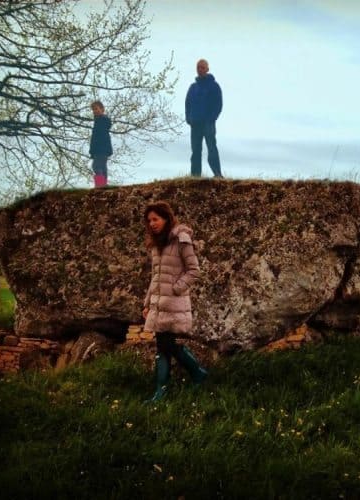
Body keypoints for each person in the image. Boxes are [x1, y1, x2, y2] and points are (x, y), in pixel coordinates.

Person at [142, 201, 207, 402]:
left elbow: (194, 271)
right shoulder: (156, 245)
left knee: (166, 346)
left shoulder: (181, 239)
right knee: (165, 346)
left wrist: (175, 289)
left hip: (174, 304)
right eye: (149, 220)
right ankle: (194, 375)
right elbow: (155, 277)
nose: (152, 224)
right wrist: (147, 303)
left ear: (166, 218)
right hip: (159, 305)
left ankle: (164, 389)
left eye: (156, 219)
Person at [185, 59, 223, 178]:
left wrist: (212, 118)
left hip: (208, 123)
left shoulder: (214, 86)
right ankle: (195, 176)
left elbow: (218, 104)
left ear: (207, 69)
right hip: (195, 123)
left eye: (202, 67)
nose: (200, 69)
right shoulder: (193, 87)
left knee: (211, 148)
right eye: (198, 67)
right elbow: (188, 103)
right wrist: (189, 118)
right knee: (196, 151)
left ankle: (217, 174)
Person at [89, 100, 113, 187]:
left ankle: (100, 184)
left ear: (102, 109)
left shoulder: (102, 121)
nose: (95, 111)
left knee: (96, 166)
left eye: (96, 109)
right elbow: (94, 138)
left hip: (101, 149)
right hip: (99, 149)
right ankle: (103, 184)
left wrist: (94, 150)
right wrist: (92, 151)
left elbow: (99, 138)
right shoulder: (98, 121)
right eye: (93, 110)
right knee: (102, 166)